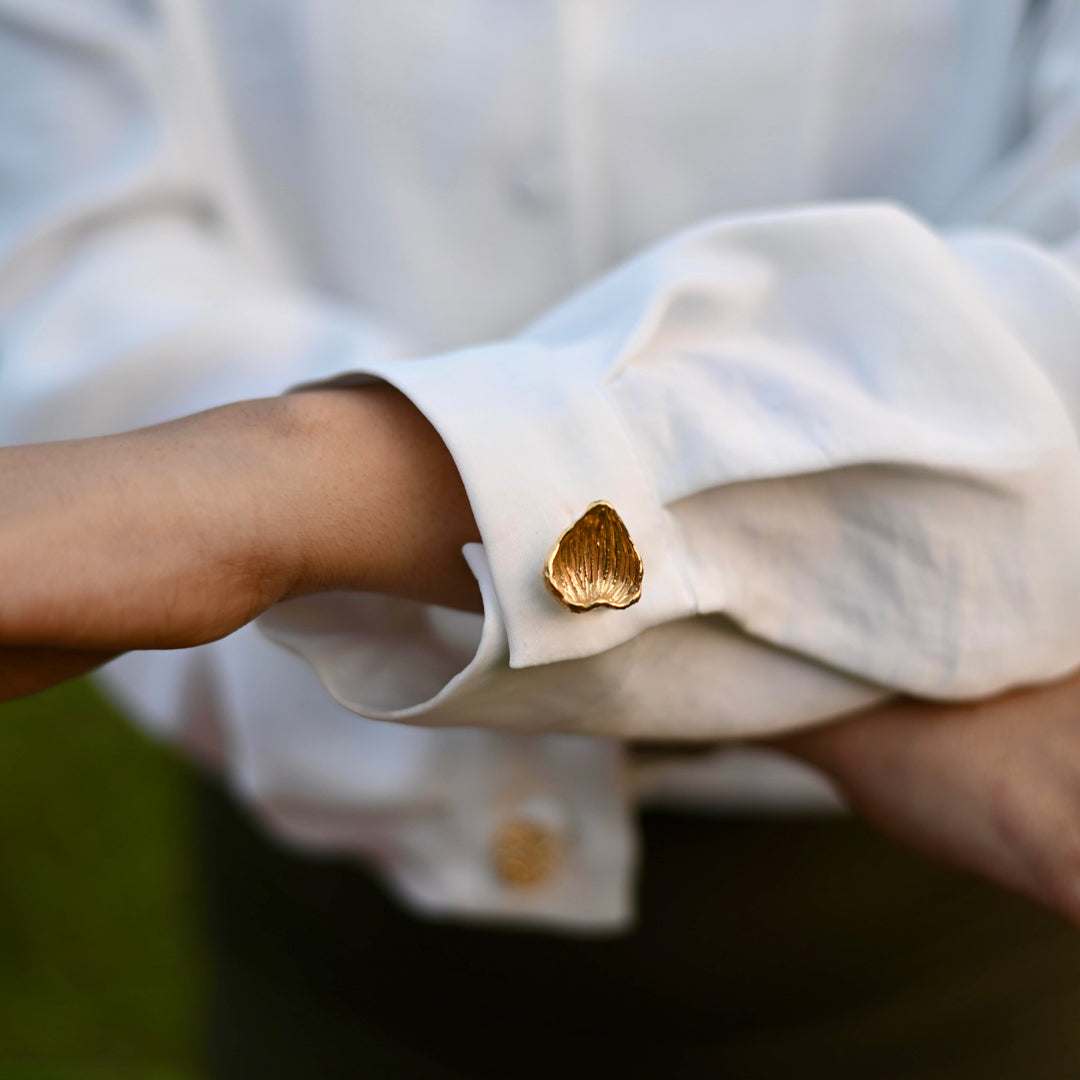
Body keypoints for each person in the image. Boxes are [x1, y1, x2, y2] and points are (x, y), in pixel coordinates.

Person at [3, 0, 1080, 1074]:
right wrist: (849, 647)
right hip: (332, 918)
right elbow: (54, 277)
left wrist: (288, 492)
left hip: (943, 912)